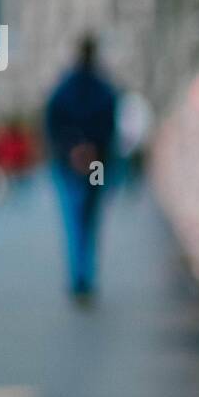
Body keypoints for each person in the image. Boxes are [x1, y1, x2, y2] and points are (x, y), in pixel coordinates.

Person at [46, 36, 117, 301]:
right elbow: (110, 127)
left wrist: (71, 147)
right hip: (97, 161)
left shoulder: (64, 87)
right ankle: (86, 273)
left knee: (73, 217)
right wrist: (94, 147)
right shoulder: (104, 89)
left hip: (68, 162)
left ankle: (79, 275)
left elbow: (52, 122)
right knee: (91, 217)